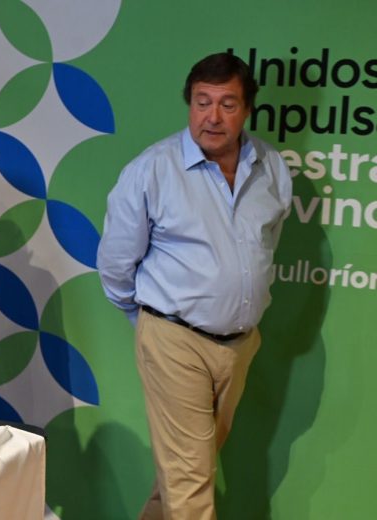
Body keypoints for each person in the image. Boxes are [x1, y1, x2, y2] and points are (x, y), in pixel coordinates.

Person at [96, 52, 292, 519]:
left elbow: (267, 245)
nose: (212, 116)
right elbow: (115, 265)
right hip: (175, 340)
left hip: (240, 346)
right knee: (191, 486)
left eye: (227, 104)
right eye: (202, 102)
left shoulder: (271, 167)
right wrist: (153, 325)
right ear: (189, 104)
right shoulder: (152, 171)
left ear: (247, 109)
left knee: (185, 476)